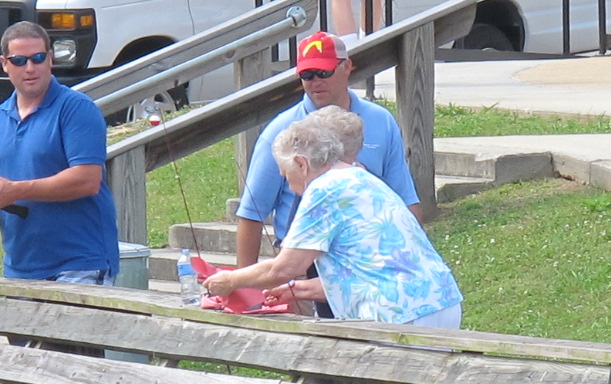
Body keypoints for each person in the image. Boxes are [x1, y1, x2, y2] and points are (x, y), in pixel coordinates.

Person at [196, 105, 459, 329]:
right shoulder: (361, 177)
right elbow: (367, 271)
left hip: (400, 313)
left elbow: (284, 268)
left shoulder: (323, 189)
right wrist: (297, 290)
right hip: (439, 303)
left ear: (301, 164)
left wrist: (230, 280)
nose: (289, 186)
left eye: (286, 175)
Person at [232, 31, 418, 266]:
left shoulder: (381, 121)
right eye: (307, 75)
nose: (315, 81)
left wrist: (410, 259)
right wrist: (245, 289)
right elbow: (252, 213)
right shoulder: (280, 132)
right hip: (303, 259)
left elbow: (406, 201)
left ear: (347, 66)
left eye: (324, 72)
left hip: (369, 255)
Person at [0, 20, 121, 285]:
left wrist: (15, 191)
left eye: (38, 58)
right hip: (19, 269)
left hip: (79, 266)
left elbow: (88, 180)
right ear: (4, 64)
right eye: (19, 61)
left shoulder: (76, 109)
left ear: (50, 59)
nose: (30, 68)